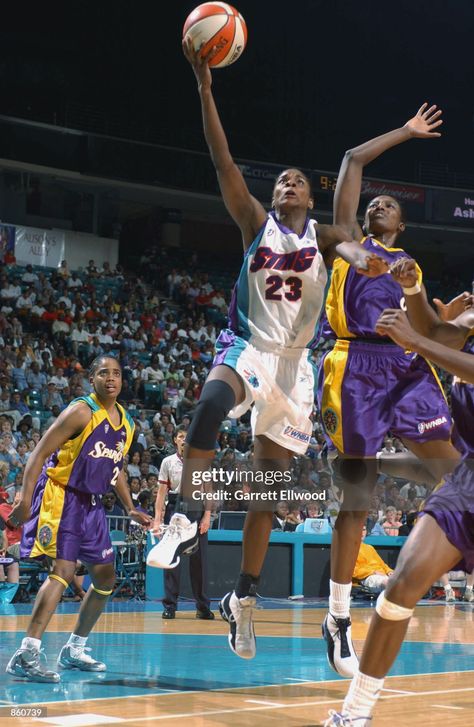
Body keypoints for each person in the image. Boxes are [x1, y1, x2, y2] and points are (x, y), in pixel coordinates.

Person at [147, 37, 387, 661]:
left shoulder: (326, 233)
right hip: (249, 347)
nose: (286, 184)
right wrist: (204, 88)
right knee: (206, 409)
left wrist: (374, 262)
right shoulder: (257, 223)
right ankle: (182, 518)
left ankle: (243, 599)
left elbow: (358, 251)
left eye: (297, 181)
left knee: (265, 495)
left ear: (310, 196)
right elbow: (222, 157)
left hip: (297, 370)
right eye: (280, 179)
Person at [318, 103, 461, 679]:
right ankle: (336, 616)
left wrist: (455, 319)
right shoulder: (349, 242)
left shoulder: (410, 267)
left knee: (457, 471)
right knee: (356, 495)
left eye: (389, 205)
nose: (377, 205)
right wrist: (406, 132)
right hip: (351, 366)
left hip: (406, 366)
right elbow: (352, 159)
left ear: (400, 227)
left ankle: (432, 562)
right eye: (373, 202)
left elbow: (430, 332)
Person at [324, 305, 474, 725]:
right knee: (400, 586)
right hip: (465, 481)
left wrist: (415, 341)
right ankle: (354, 715)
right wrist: (376, 460)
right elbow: (438, 463)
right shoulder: (460, 335)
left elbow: (425, 343)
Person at [5, 355, 151, 683]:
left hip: (92, 504)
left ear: (123, 380)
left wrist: (129, 507)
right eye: (103, 373)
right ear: (93, 379)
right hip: (61, 494)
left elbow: (116, 469)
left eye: (116, 373)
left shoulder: (126, 423)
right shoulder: (81, 411)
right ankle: (26, 654)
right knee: (63, 571)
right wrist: (25, 499)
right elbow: (39, 452)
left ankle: (74, 649)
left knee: (105, 578)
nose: (110, 378)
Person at [152, 426, 214, 620]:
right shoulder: (167, 462)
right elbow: (161, 494)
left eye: (188, 437)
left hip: (196, 509)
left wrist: (206, 516)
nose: (185, 440)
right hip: (175, 509)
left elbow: (209, 491)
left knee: (199, 562)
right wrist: (157, 519)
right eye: (181, 437)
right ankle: (170, 605)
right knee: (171, 561)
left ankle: (202, 607)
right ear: (175, 440)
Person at [353, 525, 393, 592]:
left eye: (363, 530)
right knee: (390, 583)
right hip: (366, 577)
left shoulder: (369, 548)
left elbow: (382, 564)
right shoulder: (348, 549)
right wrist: (373, 572)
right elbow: (353, 571)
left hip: (381, 575)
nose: (361, 533)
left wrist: (389, 571)